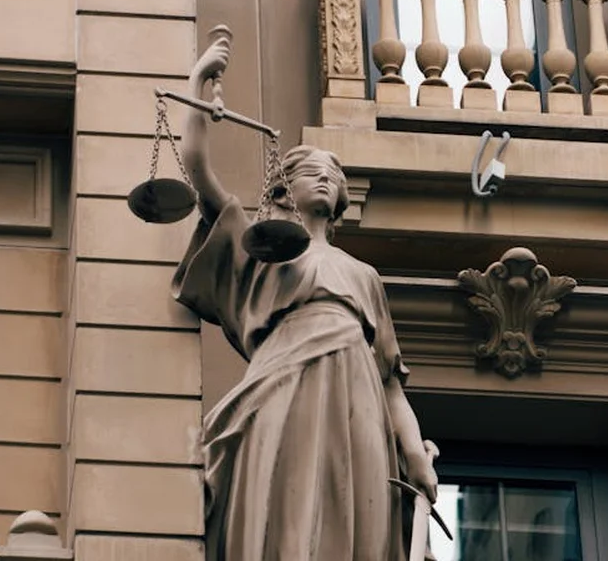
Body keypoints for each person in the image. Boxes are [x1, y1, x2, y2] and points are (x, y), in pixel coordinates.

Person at [171, 32, 437, 561]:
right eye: (310, 172)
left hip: (357, 397)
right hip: (285, 386)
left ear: (340, 200)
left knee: (356, 514)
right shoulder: (264, 249)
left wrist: (413, 453)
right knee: (286, 509)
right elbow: (198, 173)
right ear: (283, 189)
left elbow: (390, 385)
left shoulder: (362, 275)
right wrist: (200, 88)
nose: (323, 179)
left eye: (331, 175)